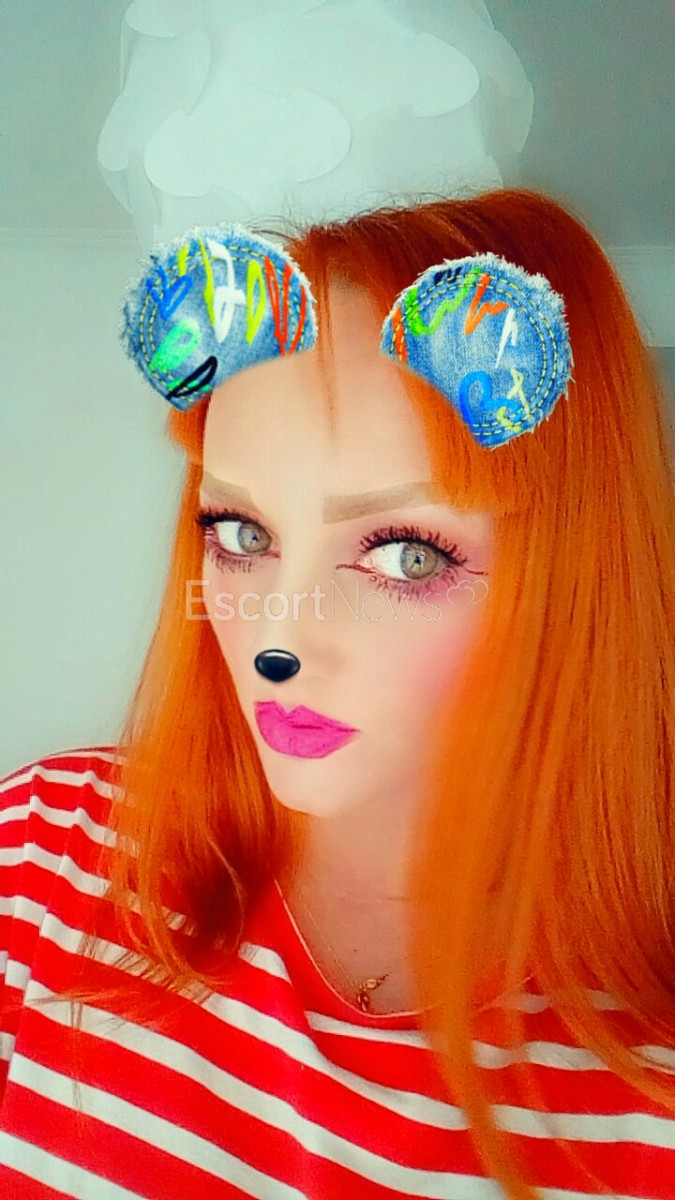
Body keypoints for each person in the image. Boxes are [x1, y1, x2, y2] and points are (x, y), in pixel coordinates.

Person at [1, 188, 674, 1200]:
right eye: (241, 535)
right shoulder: (45, 850)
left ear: (572, 580)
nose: (278, 642)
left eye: (406, 554)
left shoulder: (646, 1075)